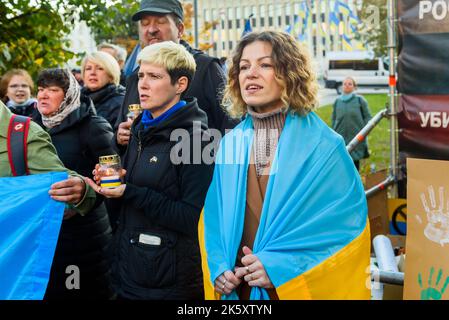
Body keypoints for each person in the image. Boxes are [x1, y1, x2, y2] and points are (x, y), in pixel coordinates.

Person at [199, 31, 370, 300]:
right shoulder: (230, 144)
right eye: (244, 66)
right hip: (239, 290)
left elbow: (344, 229)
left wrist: (281, 268)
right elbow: (213, 217)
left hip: (292, 289)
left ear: (290, 73)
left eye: (265, 64)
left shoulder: (324, 147)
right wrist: (219, 267)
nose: (250, 73)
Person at [85, 41, 214, 300]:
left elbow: (191, 218)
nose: (142, 84)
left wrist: (128, 191)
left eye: (154, 76)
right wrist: (111, 181)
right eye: (141, 75)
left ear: (181, 85)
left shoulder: (197, 139)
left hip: (169, 282)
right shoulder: (139, 128)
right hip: (129, 271)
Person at [33, 68, 115, 299]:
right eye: (40, 90)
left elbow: (113, 182)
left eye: (52, 90)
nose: (43, 96)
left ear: (68, 94)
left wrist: (83, 196)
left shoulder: (94, 127)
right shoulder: (30, 128)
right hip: (43, 235)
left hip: (84, 238)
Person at [114, 0, 238, 151]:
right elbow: (121, 130)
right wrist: (119, 138)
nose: (151, 29)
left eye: (160, 22)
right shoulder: (135, 77)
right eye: (145, 24)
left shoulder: (206, 67)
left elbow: (232, 126)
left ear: (180, 29)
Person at [331, 77, 372, 171]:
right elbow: (334, 119)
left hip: (356, 136)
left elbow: (368, 117)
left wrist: (364, 131)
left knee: (354, 163)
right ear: (342, 86)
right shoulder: (338, 101)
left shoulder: (359, 100)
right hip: (341, 137)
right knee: (342, 162)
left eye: (350, 84)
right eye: (345, 84)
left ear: (354, 87)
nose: (347, 86)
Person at [81, 51, 125, 127]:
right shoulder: (77, 100)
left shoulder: (121, 102)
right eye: (88, 68)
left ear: (111, 74)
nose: (92, 73)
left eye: (100, 68)